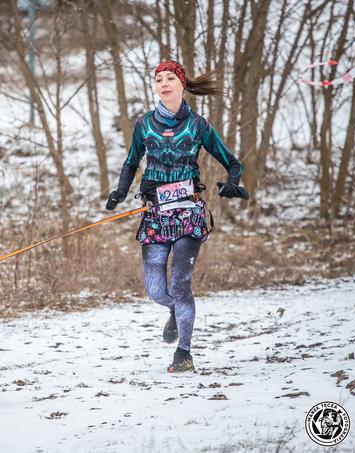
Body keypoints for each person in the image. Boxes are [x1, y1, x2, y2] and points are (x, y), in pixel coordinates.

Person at [105, 60, 248, 373]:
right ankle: (174, 310)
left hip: (188, 212)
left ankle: (184, 353)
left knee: (181, 285)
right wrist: (120, 191)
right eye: (159, 79)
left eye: (170, 78)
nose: (164, 83)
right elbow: (131, 163)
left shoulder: (197, 124)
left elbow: (232, 162)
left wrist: (232, 185)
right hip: (155, 213)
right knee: (156, 289)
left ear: (182, 85)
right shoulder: (144, 124)